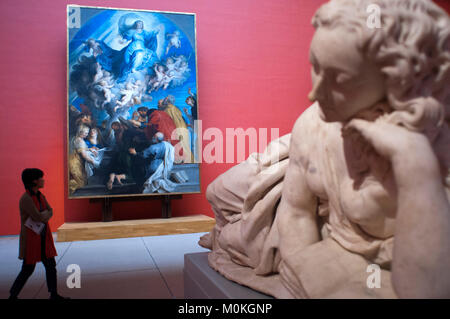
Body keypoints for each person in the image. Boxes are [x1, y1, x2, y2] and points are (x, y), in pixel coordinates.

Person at [201, 0, 450, 299]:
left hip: (330, 227)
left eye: (340, 78)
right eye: (315, 68)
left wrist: (415, 165)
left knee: (232, 238)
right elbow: (296, 211)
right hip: (292, 172)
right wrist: (305, 263)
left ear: (397, 78)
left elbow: (427, 289)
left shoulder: (435, 150)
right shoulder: (314, 119)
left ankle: (226, 234)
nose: (314, 93)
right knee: (219, 191)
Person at [9, 169, 68, 299]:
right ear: (34, 181)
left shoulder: (40, 195)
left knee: (50, 265)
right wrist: (44, 216)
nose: (43, 180)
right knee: (28, 269)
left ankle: (53, 294)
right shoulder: (26, 198)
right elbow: (38, 216)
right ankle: (13, 295)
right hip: (31, 239)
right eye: (41, 178)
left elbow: (50, 211)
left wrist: (43, 216)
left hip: (42, 237)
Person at [161, 95, 194, 163]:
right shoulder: (176, 108)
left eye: (165, 98)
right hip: (183, 130)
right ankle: (189, 161)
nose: (164, 100)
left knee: (181, 147)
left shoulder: (167, 110)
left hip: (177, 130)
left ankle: (185, 161)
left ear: (167, 100)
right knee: (185, 147)